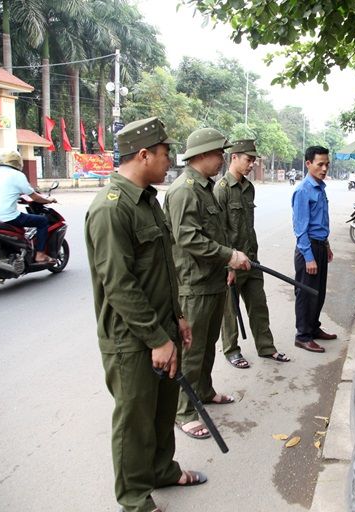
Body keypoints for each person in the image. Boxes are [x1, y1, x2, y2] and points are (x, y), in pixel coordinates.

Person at [84, 117, 206, 512]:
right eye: (165, 152)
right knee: (134, 419)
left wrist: (178, 318)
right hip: (132, 340)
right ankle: (135, 499)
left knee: (162, 408)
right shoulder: (110, 209)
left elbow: (163, 270)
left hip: (163, 329)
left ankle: (162, 470)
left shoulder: (149, 200)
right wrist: (156, 339)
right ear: (143, 154)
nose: (169, 160)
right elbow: (119, 285)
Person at [163, 127, 251, 439]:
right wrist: (229, 256)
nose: (222, 159)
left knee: (208, 346)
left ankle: (204, 391)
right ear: (201, 155)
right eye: (218, 153)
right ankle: (184, 412)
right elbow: (188, 239)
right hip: (194, 285)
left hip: (212, 280)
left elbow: (215, 232)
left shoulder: (204, 188)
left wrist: (226, 263)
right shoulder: (184, 190)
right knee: (192, 351)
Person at [215, 139, 290, 368]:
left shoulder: (249, 188)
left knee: (259, 305)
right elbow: (219, 232)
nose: (251, 164)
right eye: (248, 159)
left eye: (253, 160)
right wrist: (228, 266)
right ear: (234, 157)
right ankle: (232, 351)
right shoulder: (221, 190)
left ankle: (266, 347)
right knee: (230, 312)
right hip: (232, 263)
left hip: (252, 259)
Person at [292, 145, 337, 353]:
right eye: (320, 164)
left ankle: (314, 327)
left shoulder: (320, 187)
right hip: (307, 249)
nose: (325, 168)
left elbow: (320, 223)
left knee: (318, 293)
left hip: (319, 246)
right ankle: (302, 335)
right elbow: (300, 229)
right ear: (308, 164)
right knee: (306, 293)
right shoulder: (303, 190)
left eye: (327, 164)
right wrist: (309, 257)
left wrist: (326, 246)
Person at [0, 148, 58, 263]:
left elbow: (0, 191)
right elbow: (35, 197)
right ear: (16, 161)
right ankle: (40, 255)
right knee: (42, 221)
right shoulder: (18, 175)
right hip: (8, 217)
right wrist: (49, 200)